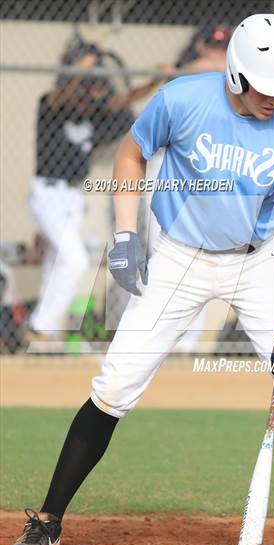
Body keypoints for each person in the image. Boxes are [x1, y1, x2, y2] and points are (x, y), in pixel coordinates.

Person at [11, 14, 274, 545]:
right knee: (114, 387)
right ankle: (47, 521)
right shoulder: (183, 99)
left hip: (256, 263)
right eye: (269, 87)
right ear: (237, 73)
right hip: (178, 259)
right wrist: (123, 235)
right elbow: (129, 154)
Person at [26, 41, 160, 344]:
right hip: (47, 192)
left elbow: (123, 100)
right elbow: (64, 93)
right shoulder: (51, 104)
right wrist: (79, 71)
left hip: (74, 197)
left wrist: (153, 82)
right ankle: (41, 326)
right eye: (87, 88)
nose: (92, 96)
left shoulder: (93, 113)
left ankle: (42, 333)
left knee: (57, 261)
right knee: (75, 259)